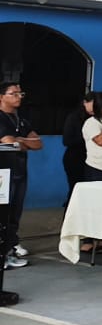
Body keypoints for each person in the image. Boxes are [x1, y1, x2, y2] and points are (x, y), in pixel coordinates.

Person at [0, 82, 42, 270]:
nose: (19, 97)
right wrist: (22, 142)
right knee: (2, 214)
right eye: (14, 93)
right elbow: (11, 144)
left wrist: (21, 140)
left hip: (19, 172)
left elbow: (38, 143)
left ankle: (9, 251)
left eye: (20, 93)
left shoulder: (21, 120)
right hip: (3, 174)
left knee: (14, 215)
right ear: (2, 97)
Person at [61, 93, 93, 207]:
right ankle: (69, 214)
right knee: (76, 188)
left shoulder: (97, 119)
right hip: (75, 158)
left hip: (92, 159)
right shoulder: (74, 117)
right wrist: (89, 137)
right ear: (85, 103)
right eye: (93, 103)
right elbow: (66, 141)